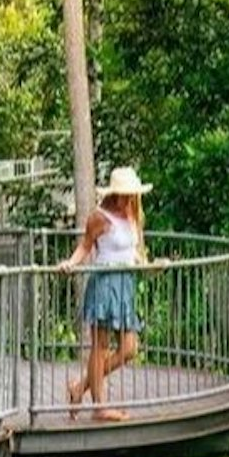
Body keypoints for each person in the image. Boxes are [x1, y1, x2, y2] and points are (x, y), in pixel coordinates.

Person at [58, 166, 152, 422]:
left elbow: (137, 253)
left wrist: (152, 265)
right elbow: (85, 247)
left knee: (130, 348)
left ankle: (80, 388)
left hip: (126, 285)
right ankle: (100, 407)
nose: (129, 197)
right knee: (100, 346)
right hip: (104, 284)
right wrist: (70, 263)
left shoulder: (134, 213)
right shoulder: (99, 217)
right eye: (125, 193)